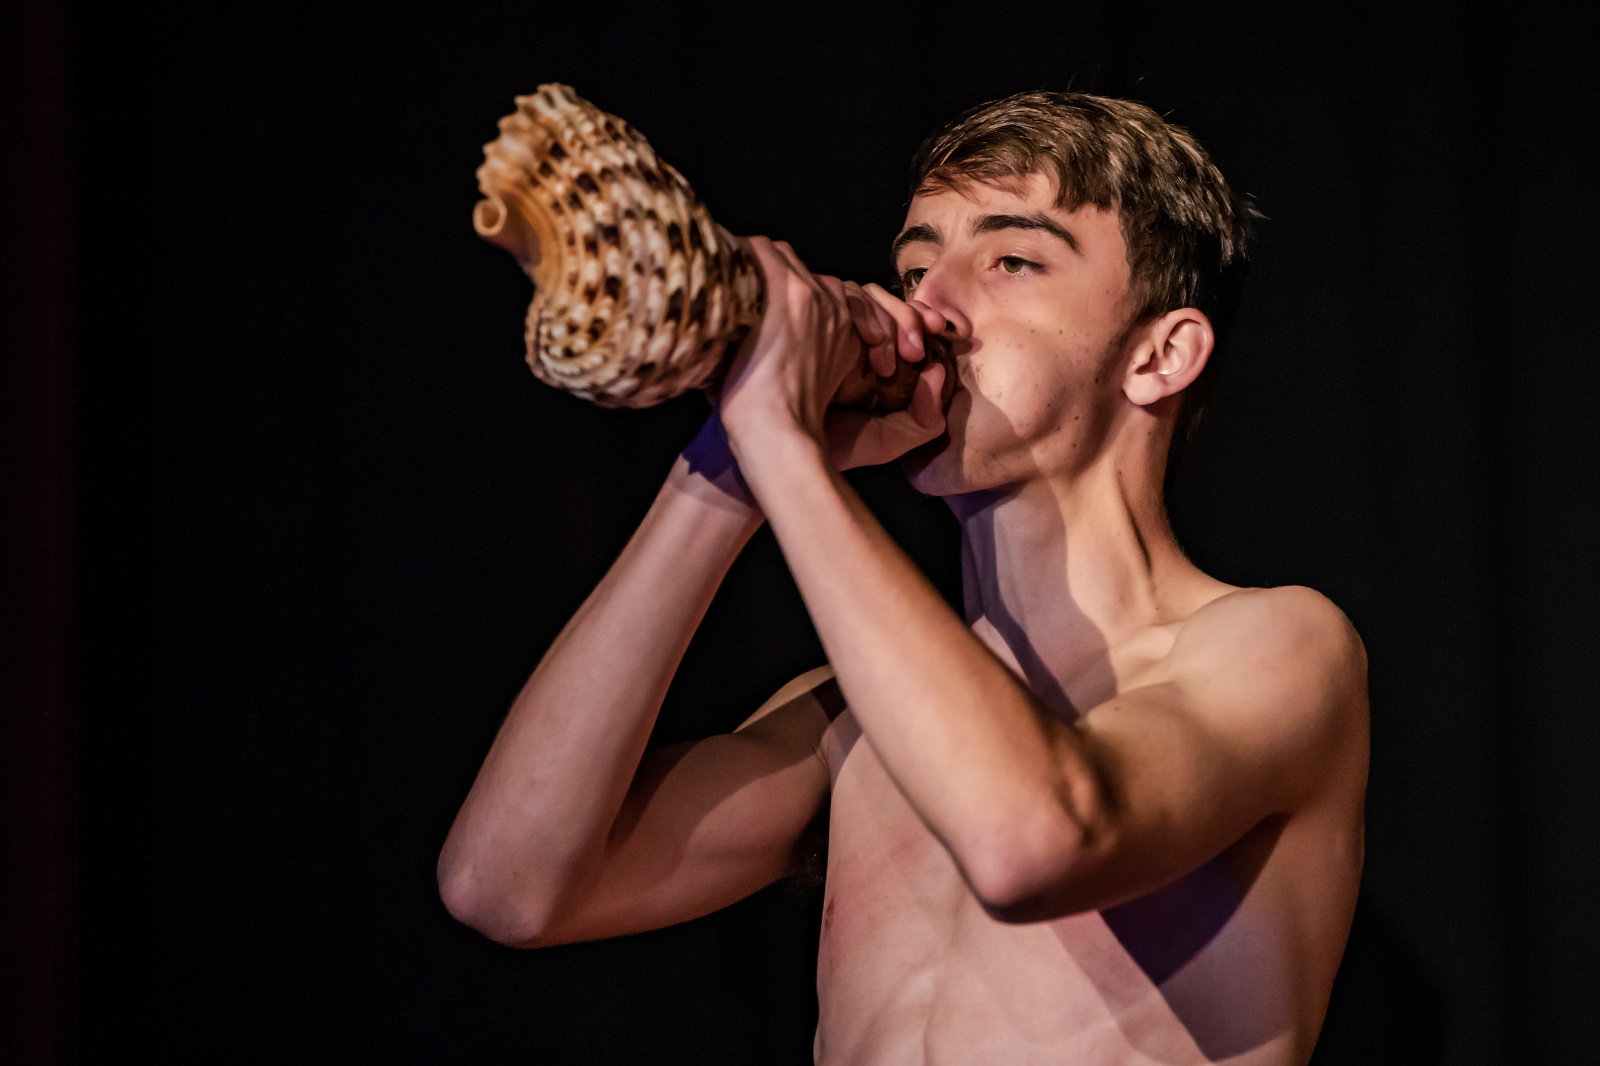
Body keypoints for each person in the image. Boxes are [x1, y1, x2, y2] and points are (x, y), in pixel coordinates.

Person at [438, 91, 1368, 1065]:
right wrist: (733, 466)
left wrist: (781, 440)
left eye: (1011, 261)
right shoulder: (851, 722)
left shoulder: (1276, 647)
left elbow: (1032, 839)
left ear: (1158, 355)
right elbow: (506, 887)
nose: (931, 305)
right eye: (916, 266)